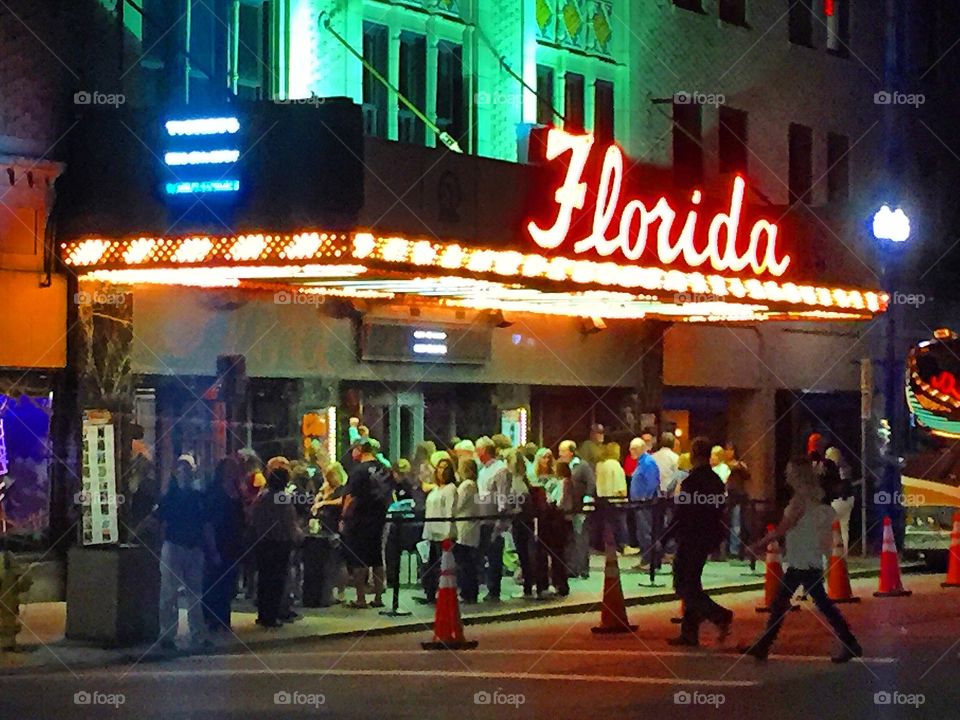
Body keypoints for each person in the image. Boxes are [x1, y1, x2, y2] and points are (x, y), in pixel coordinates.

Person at [742, 457, 862, 663]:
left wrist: (758, 545)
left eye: (789, 471)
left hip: (802, 560)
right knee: (798, 602)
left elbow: (783, 527)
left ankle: (850, 642)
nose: (786, 475)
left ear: (797, 475)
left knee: (802, 602)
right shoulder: (815, 497)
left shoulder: (801, 500)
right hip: (808, 557)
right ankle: (764, 645)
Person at [664, 437, 733, 647]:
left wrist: (667, 534)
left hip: (691, 536)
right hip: (707, 536)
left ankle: (718, 615)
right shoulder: (715, 481)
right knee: (692, 581)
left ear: (694, 453)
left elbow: (682, 512)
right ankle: (689, 632)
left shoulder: (691, 481)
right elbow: (720, 509)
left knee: (683, 583)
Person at [157, 454, 218, 650]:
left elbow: (207, 525)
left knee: (194, 594)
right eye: (181, 469)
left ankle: (197, 634)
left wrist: (212, 550)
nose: (184, 473)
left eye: (187, 469)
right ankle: (167, 635)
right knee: (169, 593)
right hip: (174, 546)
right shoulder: (171, 496)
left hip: (192, 548)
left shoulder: (198, 497)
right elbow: (156, 520)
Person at [249, 465, 304, 628]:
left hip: (262, 542)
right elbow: (289, 523)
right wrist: (298, 537)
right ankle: (272, 616)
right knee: (277, 580)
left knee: (264, 579)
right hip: (279, 543)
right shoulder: (282, 499)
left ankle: (263, 614)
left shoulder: (262, 497)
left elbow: (254, 518)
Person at [340, 439, 392, 608]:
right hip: (379, 518)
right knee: (377, 558)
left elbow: (351, 497)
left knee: (358, 559)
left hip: (360, 519)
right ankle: (378, 597)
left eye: (353, 449)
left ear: (359, 449)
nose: (352, 453)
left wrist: (344, 517)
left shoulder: (358, 471)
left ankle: (360, 598)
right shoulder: (383, 468)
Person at [203, 457, 246, 633]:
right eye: (231, 468)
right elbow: (209, 522)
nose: (234, 471)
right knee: (215, 580)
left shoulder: (236, 490)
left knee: (229, 582)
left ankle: (223, 618)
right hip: (218, 541)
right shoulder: (215, 492)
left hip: (233, 543)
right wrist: (212, 549)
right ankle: (212, 619)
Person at [475, 436, 510, 603]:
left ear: (485, 451)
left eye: (478, 450)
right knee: (484, 555)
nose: (476, 453)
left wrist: (500, 520)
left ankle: (494, 590)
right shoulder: (482, 471)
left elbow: (503, 496)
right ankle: (486, 585)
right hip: (482, 519)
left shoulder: (501, 470)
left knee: (495, 556)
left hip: (493, 520)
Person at [310, 461, 349, 603]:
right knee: (328, 561)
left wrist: (324, 503)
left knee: (339, 560)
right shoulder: (326, 488)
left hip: (336, 526)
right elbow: (317, 500)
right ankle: (329, 589)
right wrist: (320, 496)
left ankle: (341, 591)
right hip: (324, 526)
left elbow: (341, 502)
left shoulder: (343, 489)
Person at [421, 460, 458, 604]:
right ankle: (429, 592)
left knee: (440, 566)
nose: (441, 471)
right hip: (431, 532)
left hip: (443, 533)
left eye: (445, 468)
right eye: (439, 468)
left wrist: (448, 534)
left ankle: (441, 593)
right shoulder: (436, 489)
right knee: (430, 565)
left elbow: (450, 510)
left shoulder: (450, 489)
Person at [559, 440, 593, 579]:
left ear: (571, 452)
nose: (560, 454)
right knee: (570, 539)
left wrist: (587, 499)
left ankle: (583, 568)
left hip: (579, 508)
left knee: (580, 537)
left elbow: (591, 482)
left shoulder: (582, 466)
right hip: (568, 508)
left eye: (563, 451)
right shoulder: (562, 466)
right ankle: (571, 567)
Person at [628, 437, 660, 570]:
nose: (631, 451)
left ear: (641, 449)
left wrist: (644, 498)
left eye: (634, 448)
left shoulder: (648, 462)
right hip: (639, 504)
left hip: (645, 505)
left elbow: (652, 482)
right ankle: (647, 560)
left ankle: (650, 561)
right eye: (630, 448)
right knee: (642, 533)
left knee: (646, 533)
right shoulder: (642, 462)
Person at [454, 458, 482, 604]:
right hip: (469, 528)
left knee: (464, 562)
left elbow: (457, 505)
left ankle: (467, 591)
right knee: (468, 562)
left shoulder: (466, 485)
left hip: (464, 528)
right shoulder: (474, 485)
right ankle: (470, 591)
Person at [595, 441, 627, 549]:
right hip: (615, 500)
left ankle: (609, 546)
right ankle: (623, 545)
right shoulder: (616, 466)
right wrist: (624, 496)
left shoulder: (602, 466)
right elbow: (620, 485)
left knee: (608, 526)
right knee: (619, 524)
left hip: (604, 499)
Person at [826, 446, 856, 553]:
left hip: (836, 500)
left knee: (830, 527)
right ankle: (844, 552)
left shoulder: (831, 468)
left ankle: (834, 552)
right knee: (844, 527)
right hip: (848, 499)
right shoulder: (846, 467)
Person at [724, 442, 750, 560]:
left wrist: (740, 467)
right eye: (726, 450)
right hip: (725, 496)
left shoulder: (740, 465)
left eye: (731, 450)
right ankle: (723, 549)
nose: (728, 452)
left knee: (736, 523)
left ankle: (734, 550)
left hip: (737, 496)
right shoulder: (722, 465)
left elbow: (747, 476)